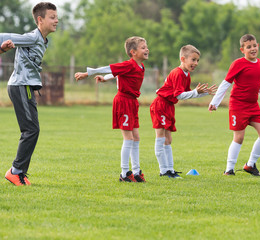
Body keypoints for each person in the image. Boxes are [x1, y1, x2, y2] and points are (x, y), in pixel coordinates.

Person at [75, 36, 149, 183]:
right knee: (128, 138)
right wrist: (88, 73)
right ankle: (124, 173)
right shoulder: (129, 64)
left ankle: (136, 171)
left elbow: (117, 73)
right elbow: (111, 68)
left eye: (146, 46)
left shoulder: (140, 66)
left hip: (133, 103)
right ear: (133, 52)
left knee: (136, 138)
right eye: (143, 47)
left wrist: (105, 79)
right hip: (123, 101)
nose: (147, 49)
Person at [1, 2, 58, 186]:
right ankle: (15, 171)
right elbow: (4, 36)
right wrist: (5, 45)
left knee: (32, 129)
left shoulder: (42, 39)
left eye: (56, 17)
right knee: (31, 130)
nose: (56, 20)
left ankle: (19, 172)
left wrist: (5, 47)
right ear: (40, 20)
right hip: (20, 85)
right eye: (52, 17)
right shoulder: (32, 37)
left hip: (26, 87)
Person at [208, 34, 260, 177]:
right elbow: (226, 83)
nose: (252, 49)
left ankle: (250, 165)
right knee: (239, 137)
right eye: (248, 47)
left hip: (253, 106)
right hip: (238, 106)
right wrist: (215, 102)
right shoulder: (238, 64)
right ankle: (229, 169)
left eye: (254, 46)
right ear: (242, 50)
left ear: (258, 46)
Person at [150, 45, 217, 178]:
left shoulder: (186, 75)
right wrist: (195, 92)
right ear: (183, 59)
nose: (196, 63)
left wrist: (203, 93)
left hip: (169, 106)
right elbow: (179, 95)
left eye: (197, 60)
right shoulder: (177, 73)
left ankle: (170, 169)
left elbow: (187, 94)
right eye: (193, 60)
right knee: (161, 138)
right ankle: (164, 171)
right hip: (160, 105)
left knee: (168, 139)